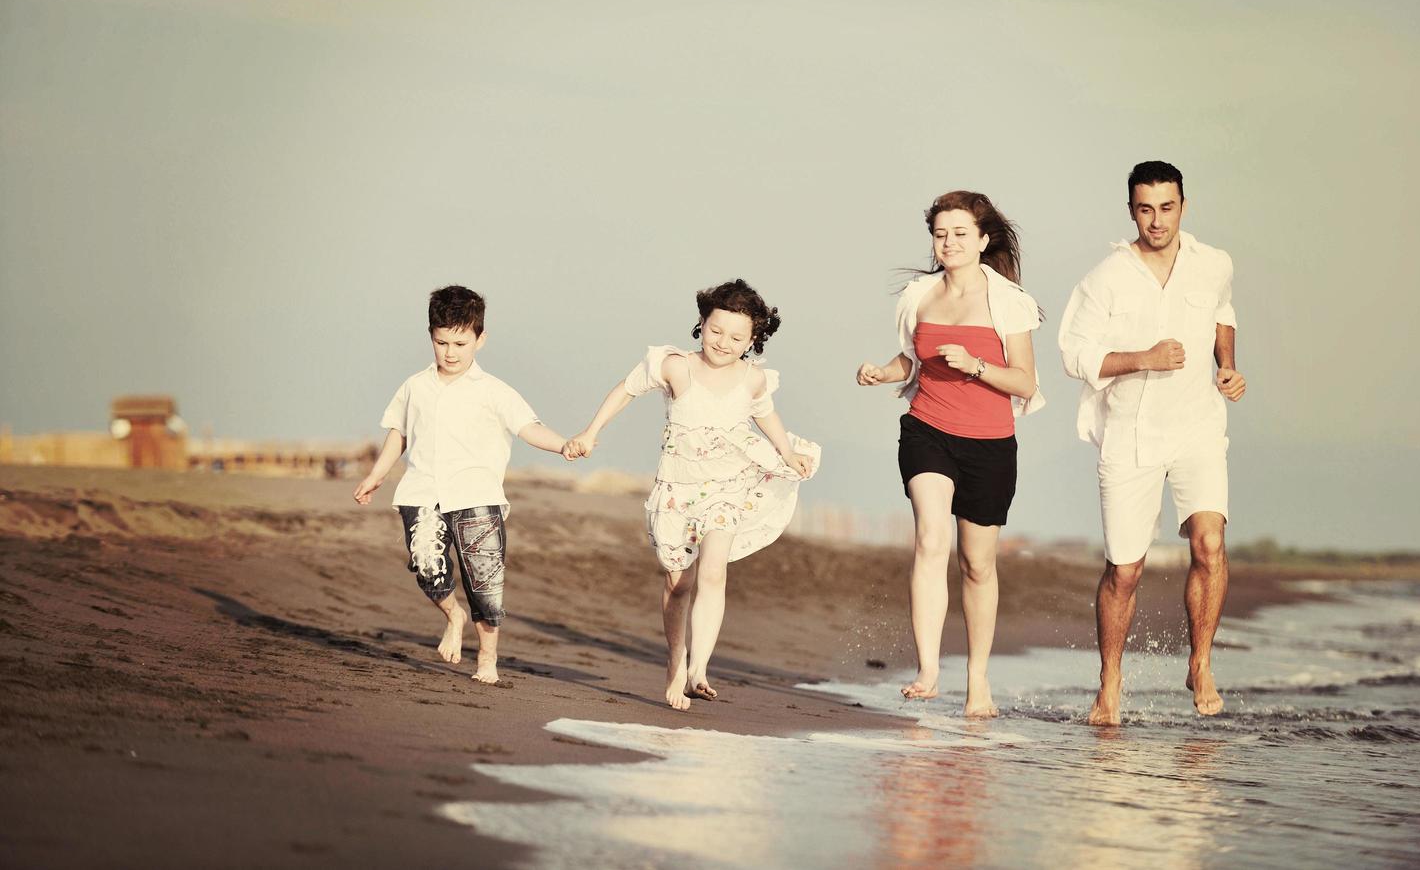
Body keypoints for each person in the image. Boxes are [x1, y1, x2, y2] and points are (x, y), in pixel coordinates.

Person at [563, 279, 818, 711]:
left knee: (714, 570)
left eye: (738, 337)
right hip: (677, 490)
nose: (724, 343)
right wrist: (590, 432)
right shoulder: (675, 365)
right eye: (716, 331)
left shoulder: (753, 380)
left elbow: (766, 416)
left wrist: (788, 452)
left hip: (727, 487)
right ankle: (676, 661)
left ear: (753, 339)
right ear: (702, 323)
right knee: (678, 583)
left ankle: (699, 667)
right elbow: (625, 389)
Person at [1058, 160, 1247, 725]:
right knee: (1125, 570)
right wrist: (1143, 357)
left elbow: (1222, 312)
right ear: (1131, 210)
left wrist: (1228, 366)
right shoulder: (1105, 278)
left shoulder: (1214, 264)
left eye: (1167, 208)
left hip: (1198, 426)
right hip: (1130, 433)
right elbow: (1076, 356)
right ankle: (1110, 683)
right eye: (1146, 209)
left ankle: (1201, 662)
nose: (1157, 220)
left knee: (1209, 544)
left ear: (1183, 206)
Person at [856, 192, 1043, 718]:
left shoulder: (1009, 302)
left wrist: (976, 366)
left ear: (983, 240)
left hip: (989, 443)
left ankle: (978, 681)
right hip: (928, 429)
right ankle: (929, 669)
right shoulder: (920, 295)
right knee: (931, 538)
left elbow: (1026, 383)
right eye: (941, 234)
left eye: (960, 233)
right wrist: (882, 372)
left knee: (977, 565)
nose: (949, 242)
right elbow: (911, 361)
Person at [353, 285, 571, 685]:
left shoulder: (494, 391)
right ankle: (453, 615)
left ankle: (487, 657)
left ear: (479, 339)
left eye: (460, 342)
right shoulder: (414, 387)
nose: (450, 352)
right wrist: (376, 476)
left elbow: (529, 428)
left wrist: (564, 446)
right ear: (430, 337)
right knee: (426, 565)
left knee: (485, 582)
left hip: (478, 496)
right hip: (421, 492)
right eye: (441, 342)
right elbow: (398, 435)